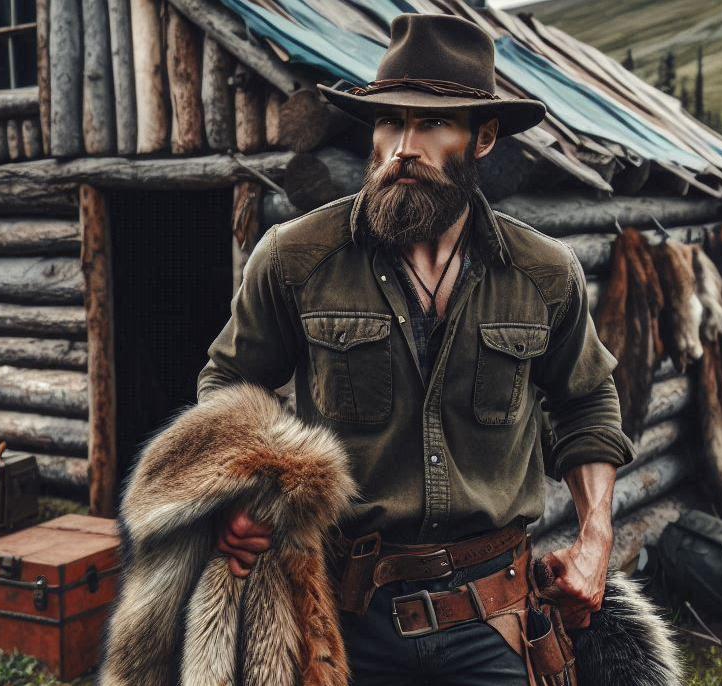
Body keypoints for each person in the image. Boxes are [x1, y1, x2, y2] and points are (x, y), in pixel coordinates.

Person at [195, 13, 634, 684]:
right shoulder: (296, 258)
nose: (403, 146)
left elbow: (587, 403)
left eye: (432, 124)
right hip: (341, 614)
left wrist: (596, 535)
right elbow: (230, 388)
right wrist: (236, 492)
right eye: (390, 122)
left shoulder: (543, 273)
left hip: (495, 616)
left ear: (483, 137)